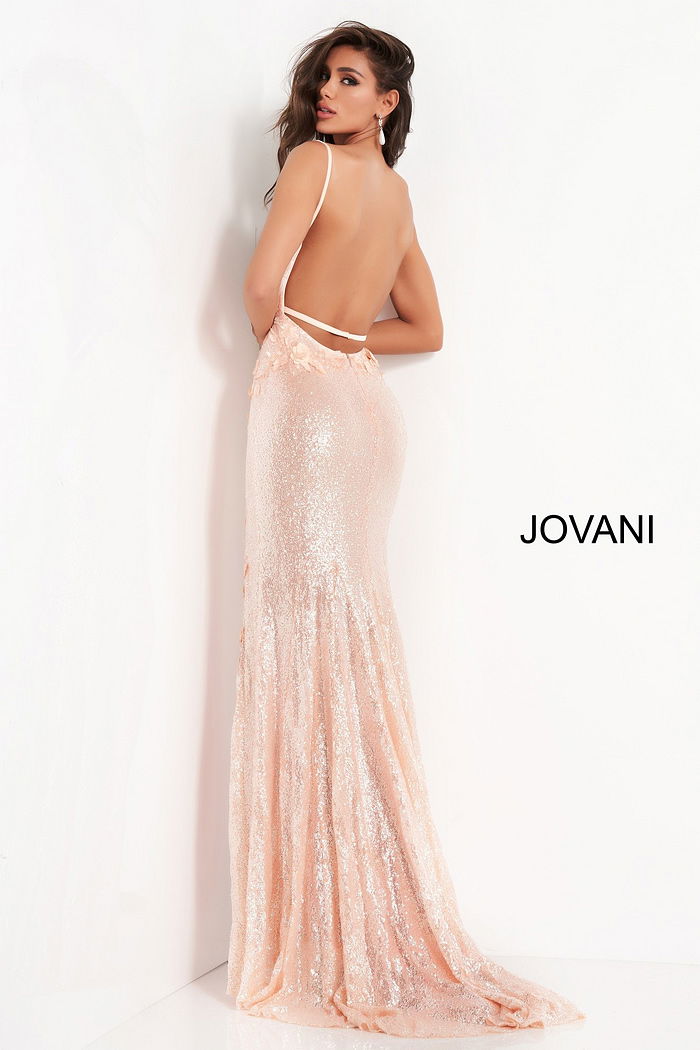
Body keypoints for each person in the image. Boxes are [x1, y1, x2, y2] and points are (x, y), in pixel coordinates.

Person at [227, 20, 586, 1039]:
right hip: (366, 416)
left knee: (297, 620)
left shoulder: (314, 164)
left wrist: (298, 356)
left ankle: (310, 922)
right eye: (322, 79)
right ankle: (358, 896)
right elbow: (424, 328)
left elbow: (260, 290)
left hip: (307, 408)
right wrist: (346, 347)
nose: (326, 94)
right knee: (348, 622)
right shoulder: (395, 193)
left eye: (349, 80)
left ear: (388, 102)